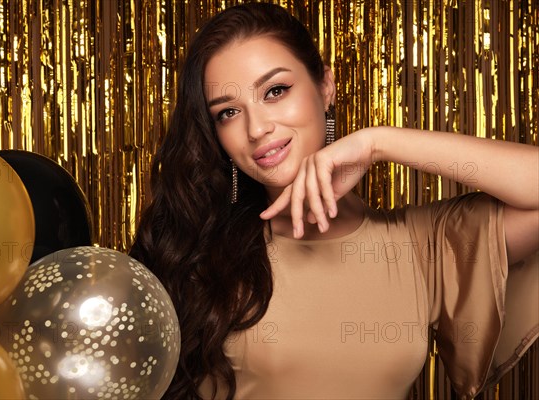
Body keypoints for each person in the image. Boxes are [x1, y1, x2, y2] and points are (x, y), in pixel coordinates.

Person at [129, 3, 539, 399]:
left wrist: (378, 142)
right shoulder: (194, 248)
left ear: (325, 87)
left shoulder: (421, 244)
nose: (257, 128)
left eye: (275, 91)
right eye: (228, 113)